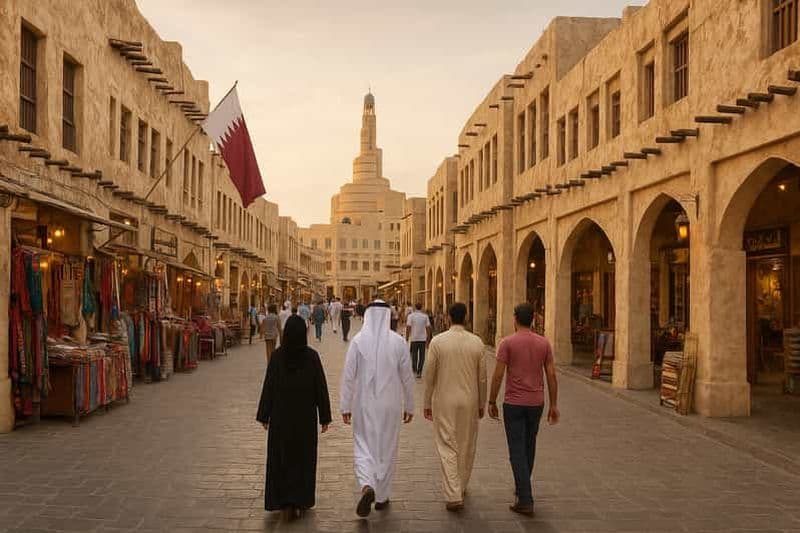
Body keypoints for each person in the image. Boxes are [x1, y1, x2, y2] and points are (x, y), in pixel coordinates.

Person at [340, 300, 415, 517]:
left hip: (364, 404)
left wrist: (345, 405)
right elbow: (408, 378)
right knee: (387, 447)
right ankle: (381, 496)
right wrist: (410, 405)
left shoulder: (357, 341)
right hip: (390, 404)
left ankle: (367, 485)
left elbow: (348, 376)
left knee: (363, 445)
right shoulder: (398, 342)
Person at [256, 315, 332, 521]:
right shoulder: (312, 357)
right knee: (302, 460)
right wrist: (324, 416)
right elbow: (320, 387)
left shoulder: (278, 357)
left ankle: (282, 500)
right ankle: (299, 500)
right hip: (304, 420)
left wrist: (264, 414)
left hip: (281, 419)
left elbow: (269, 386)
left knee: (282, 458)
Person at [488, 303, 560, 517]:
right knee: (529, 446)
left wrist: (491, 400)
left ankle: (525, 498)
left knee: (516, 450)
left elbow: (499, 374)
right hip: (536, 403)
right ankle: (522, 487)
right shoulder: (544, 343)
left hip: (514, 403)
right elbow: (552, 375)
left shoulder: (507, 343)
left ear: (515, 319)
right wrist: (554, 404)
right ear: (534, 319)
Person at [423, 302, 487, 511]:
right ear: (466, 318)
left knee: (447, 444)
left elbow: (429, 375)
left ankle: (453, 493)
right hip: (469, 400)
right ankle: (461, 484)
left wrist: (426, 402)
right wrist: (482, 403)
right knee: (467, 443)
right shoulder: (477, 343)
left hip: (444, 400)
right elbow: (483, 378)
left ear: (449, 317)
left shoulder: (438, 342)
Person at [406, 302, 432, 379]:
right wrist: (428, 338)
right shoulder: (425, 316)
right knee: (422, 356)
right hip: (422, 339)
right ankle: (419, 371)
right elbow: (428, 328)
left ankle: (414, 369)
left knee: (414, 355)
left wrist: (407, 337)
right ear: (422, 307)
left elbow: (408, 327)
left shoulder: (411, 316)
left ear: (415, 307)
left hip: (414, 338)